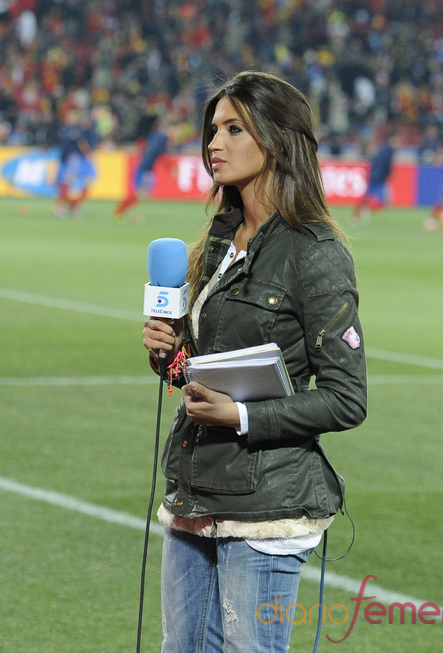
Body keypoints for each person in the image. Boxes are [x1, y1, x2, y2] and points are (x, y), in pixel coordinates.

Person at [141, 71, 368, 653]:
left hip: (266, 506)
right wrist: (170, 357)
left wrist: (240, 417)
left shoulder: (314, 252)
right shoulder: (216, 242)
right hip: (195, 490)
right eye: (212, 129)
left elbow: (346, 398)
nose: (213, 143)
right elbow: (200, 369)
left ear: (275, 139)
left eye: (233, 128)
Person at [113, 112, 175, 224]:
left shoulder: (154, 136)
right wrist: (171, 168)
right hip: (144, 169)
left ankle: (121, 209)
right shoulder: (161, 138)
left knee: (142, 194)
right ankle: (120, 209)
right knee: (139, 194)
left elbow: (144, 146)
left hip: (146, 168)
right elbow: (161, 154)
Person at [51, 108, 98, 218]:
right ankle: (60, 206)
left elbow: (87, 142)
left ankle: (74, 206)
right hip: (71, 159)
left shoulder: (81, 129)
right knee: (67, 182)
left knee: (86, 182)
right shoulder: (65, 129)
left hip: (81, 159)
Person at [352, 131, 397, 224]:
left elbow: (373, 162)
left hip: (373, 177)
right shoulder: (389, 151)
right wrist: (388, 175)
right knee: (384, 202)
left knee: (366, 198)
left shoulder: (381, 150)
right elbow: (387, 165)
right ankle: (366, 212)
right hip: (380, 179)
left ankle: (355, 217)